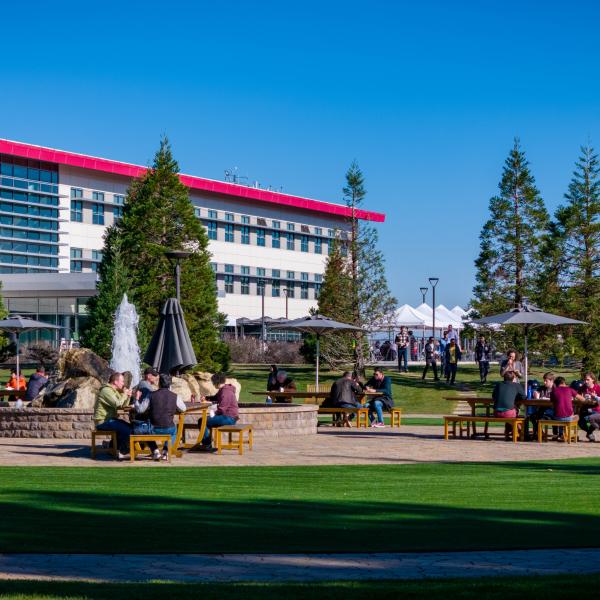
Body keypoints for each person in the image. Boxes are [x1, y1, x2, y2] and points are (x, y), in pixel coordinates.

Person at [144, 373, 186, 460]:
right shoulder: (175, 396)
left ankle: (155, 450)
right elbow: (183, 409)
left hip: (153, 429)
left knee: (145, 430)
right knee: (174, 431)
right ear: (169, 384)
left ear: (159, 384)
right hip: (168, 428)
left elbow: (142, 408)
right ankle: (166, 451)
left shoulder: (151, 395)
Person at [94, 372, 132, 459]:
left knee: (130, 427)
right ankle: (121, 451)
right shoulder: (106, 391)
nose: (123, 383)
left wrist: (128, 396)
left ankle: (112, 447)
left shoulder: (114, 391)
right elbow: (118, 403)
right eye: (122, 381)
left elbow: (123, 405)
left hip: (111, 420)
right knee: (127, 430)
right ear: (115, 382)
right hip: (103, 422)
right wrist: (124, 394)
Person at [199, 372, 239, 452]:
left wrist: (213, 414)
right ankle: (208, 441)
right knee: (205, 420)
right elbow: (216, 397)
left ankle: (207, 444)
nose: (213, 385)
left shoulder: (225, 392)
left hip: (229, 418)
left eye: (213, 383)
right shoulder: (224, 389)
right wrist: (206, 398)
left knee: (202, 421)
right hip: (228, 416)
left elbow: (222, 409)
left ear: (216, 382)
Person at [492, 370, 526, 440]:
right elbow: (524, 397)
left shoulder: (498, 385)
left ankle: (508, 434)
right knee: (513, 412)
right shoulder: (516, 385)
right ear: (513, 378)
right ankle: (519, 432)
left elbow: (493, 396)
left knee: (510, 412)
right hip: (509, 413)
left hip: (496, 413)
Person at [579, 372, 600, 442]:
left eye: (588, 380)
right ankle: (589, 432)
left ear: (593, 380)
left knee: (589, 419)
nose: (585, 381)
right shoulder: (582, 388)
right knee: (580, 423)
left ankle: (589, 433)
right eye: (585, 380)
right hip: (584, 408)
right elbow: (577, 396)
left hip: (595, 409)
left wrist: (595, 397)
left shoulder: (598, 388)